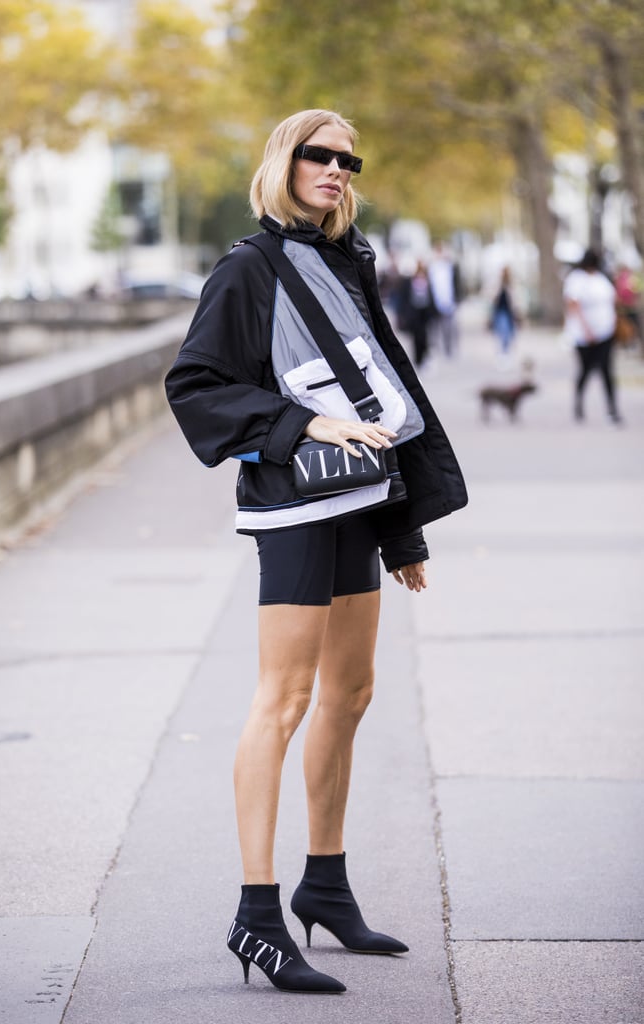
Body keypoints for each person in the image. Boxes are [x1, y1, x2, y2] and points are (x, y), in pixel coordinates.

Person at [164, 109, 467, 995]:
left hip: (359, 504)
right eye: (317, 155)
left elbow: (381, 389)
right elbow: (195, 386)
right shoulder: (246, 269)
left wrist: (401, 527)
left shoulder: (347, 261)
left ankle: (324, 883)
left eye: (346, 159)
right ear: (283, 163)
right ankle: (257, 913)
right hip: (296, 510)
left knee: (352, 692)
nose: (336, 169)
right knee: (284, 697)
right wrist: (302, 423)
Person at [563, 248, 621, 423]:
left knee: (606, 371)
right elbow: (573, 305)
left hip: (606, 332)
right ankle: (578, 404)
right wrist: (586, 329)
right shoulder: (576, 279)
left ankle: (612, 410)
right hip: (584, 335)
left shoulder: (601, 278)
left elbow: (612, 300)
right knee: (585, 370)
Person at [395, 259, 435, 366]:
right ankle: (418, 359)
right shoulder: (409, 282)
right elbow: (404, 298)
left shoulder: (427, 281)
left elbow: (430, 298)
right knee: (416, 338)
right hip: (414, 314)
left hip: (424, 314)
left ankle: (424, 357)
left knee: (424, 337)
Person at [427, 240, 461, 357]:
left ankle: (449, 349)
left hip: (448, 301)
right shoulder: (432, 268)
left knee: (449, 328)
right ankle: (435, 349)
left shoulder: (450, 267)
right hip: (435, 302)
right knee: (434, 328)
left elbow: (456, 283)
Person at [489, 266, 519, 357]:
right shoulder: (497, 284)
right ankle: (503, 351)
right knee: (502, 331)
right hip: (500, 311)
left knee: (509, 332)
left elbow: (515, 299)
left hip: (509, 312)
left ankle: (505, 351)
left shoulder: (511, 284)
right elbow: (492, 297)